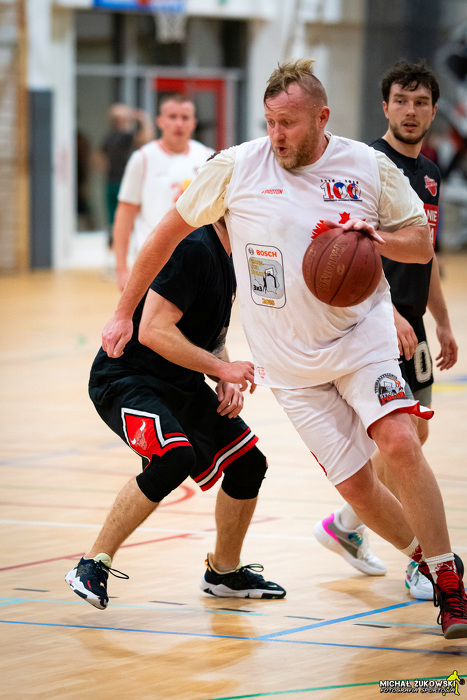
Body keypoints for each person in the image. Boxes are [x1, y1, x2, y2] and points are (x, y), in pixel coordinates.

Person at [100, 59, 467, 640]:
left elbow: (421, 245)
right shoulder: (235, 167)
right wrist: (124, 309)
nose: (277, 135)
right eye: (270, 122)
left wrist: (379, 240)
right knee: (356, 488)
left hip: (361, 337)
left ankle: (449, 582)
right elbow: (164, 233)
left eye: (289, 123)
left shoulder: (367, 166)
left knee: (399, 439)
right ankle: (426, 559)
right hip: (291, 366)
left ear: (322, 118)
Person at [65, 216, 286, 609]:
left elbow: (207, 333)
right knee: (173, 456)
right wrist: (221, 369)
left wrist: (224, 374)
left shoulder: (229, 255)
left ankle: (223, 573)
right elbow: (153, 331)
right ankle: (92, 563)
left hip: (178, 383)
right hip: (127, 378)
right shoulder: (194, 248)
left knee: (249, 463)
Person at [314, 60, 459, 601]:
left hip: (413, 323)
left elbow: (426, 253)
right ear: (385, 107)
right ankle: (420, 561)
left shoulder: (431, 172)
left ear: (433, 111)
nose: (410, 111)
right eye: (401, 100)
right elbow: (349, 249)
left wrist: (441, 320)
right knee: (400, 442)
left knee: (415, 436)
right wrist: (389, 313)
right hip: (376, 323)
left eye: (420, 102)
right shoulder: (367, 166)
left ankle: (346, 524)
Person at [113, 93, 213, 291]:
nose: (179, 123)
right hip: (152, 261)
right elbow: (125, 214)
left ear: (193, 123)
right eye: (172, 116)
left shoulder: (208, 157)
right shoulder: (142, 158)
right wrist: (121, 269)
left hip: (197, 259)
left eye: (185, 117)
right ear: (160, 121)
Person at [97, 103, 154, 248]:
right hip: (124, 183)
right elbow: (147, 139)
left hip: (110, 181)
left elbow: (98, 159)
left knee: (113, 218)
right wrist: (145, 119)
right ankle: (125, 245)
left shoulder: (108, 136)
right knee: (128, 217)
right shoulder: (124, 136)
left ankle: (114, 246)